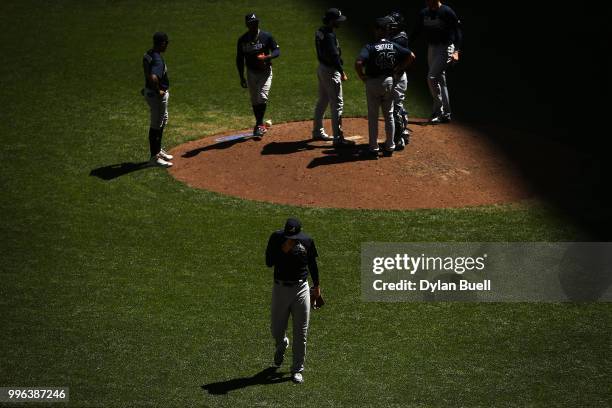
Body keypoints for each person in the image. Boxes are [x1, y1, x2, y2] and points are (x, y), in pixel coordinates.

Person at [265, 218, 320, 384]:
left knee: (301, 332)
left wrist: (317, 286)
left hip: (301, 289)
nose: (291, 238)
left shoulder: (307, 241)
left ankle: (297, 369)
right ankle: (281, 344)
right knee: (276, 329)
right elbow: (268, 262)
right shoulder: (276, 238)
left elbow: (312, 264)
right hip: (280, 288)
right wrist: (283, 250)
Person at [355, 17, 415, 158]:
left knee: (373, 117)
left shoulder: (370, 46)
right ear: (387, 31)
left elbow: (358, 63)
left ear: (377, 30)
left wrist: (362, 76)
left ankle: (374, 149)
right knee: (389, 115)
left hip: (373, 83)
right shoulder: (393, 45)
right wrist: (399, 68)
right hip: (389, 82)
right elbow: (411, 55)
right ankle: (390, 147)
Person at [409, 0, 462, 124]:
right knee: (440, 80)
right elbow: (416, 31)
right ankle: (446, 114)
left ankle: (438, 111)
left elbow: (457, 31)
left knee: (431, 78)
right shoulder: (424, 12)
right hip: (432, 48)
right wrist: (405, 45)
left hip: (446, 48)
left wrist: (456, 51)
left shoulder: (446, 11)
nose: (427, 1)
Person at [312, 8, 355, 148]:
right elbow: (334, 56)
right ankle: (338, 137)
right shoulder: (329, 35)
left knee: (323, 100)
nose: (340, 23)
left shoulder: (320, 31)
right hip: (330, 71)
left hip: (322, 68)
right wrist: (341, 72)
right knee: (337, 104)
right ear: (331, 21)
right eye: (337, 20)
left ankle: (317, 131)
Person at [236, 13, 280, 138]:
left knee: (262, 97)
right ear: (247, 25)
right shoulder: (242, 40)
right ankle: (258, 123)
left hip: (265, 72)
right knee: (255, 100)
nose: (254, 25)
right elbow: (239, 59)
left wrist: (267, 57)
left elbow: (277, 51)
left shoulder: (266, 36)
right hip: (251, 72)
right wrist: (241, 76)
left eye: (256, 22)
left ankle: (259, 124)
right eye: (251, 23)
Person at [142, 32, 173, 167]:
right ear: (162, 43)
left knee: (163, 119)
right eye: (166, 43)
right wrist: (158, 90)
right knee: (156, 125)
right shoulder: (158, 59)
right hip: (156, 97)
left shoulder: (148, 54)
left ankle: (158, 150)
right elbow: (154, 77)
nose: (167, 45)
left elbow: (148, 73)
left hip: (149, 93)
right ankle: (154, 157)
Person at [387, 11, 411, 150]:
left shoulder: (400, 38)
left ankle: (399, 138)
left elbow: (409, 57)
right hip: (395, 77)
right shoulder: (393, 36)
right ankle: (403, 132)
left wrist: (398, 69)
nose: (390, 27)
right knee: (397, 106)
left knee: (396, 108)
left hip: (398, 78)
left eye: (393, 24)